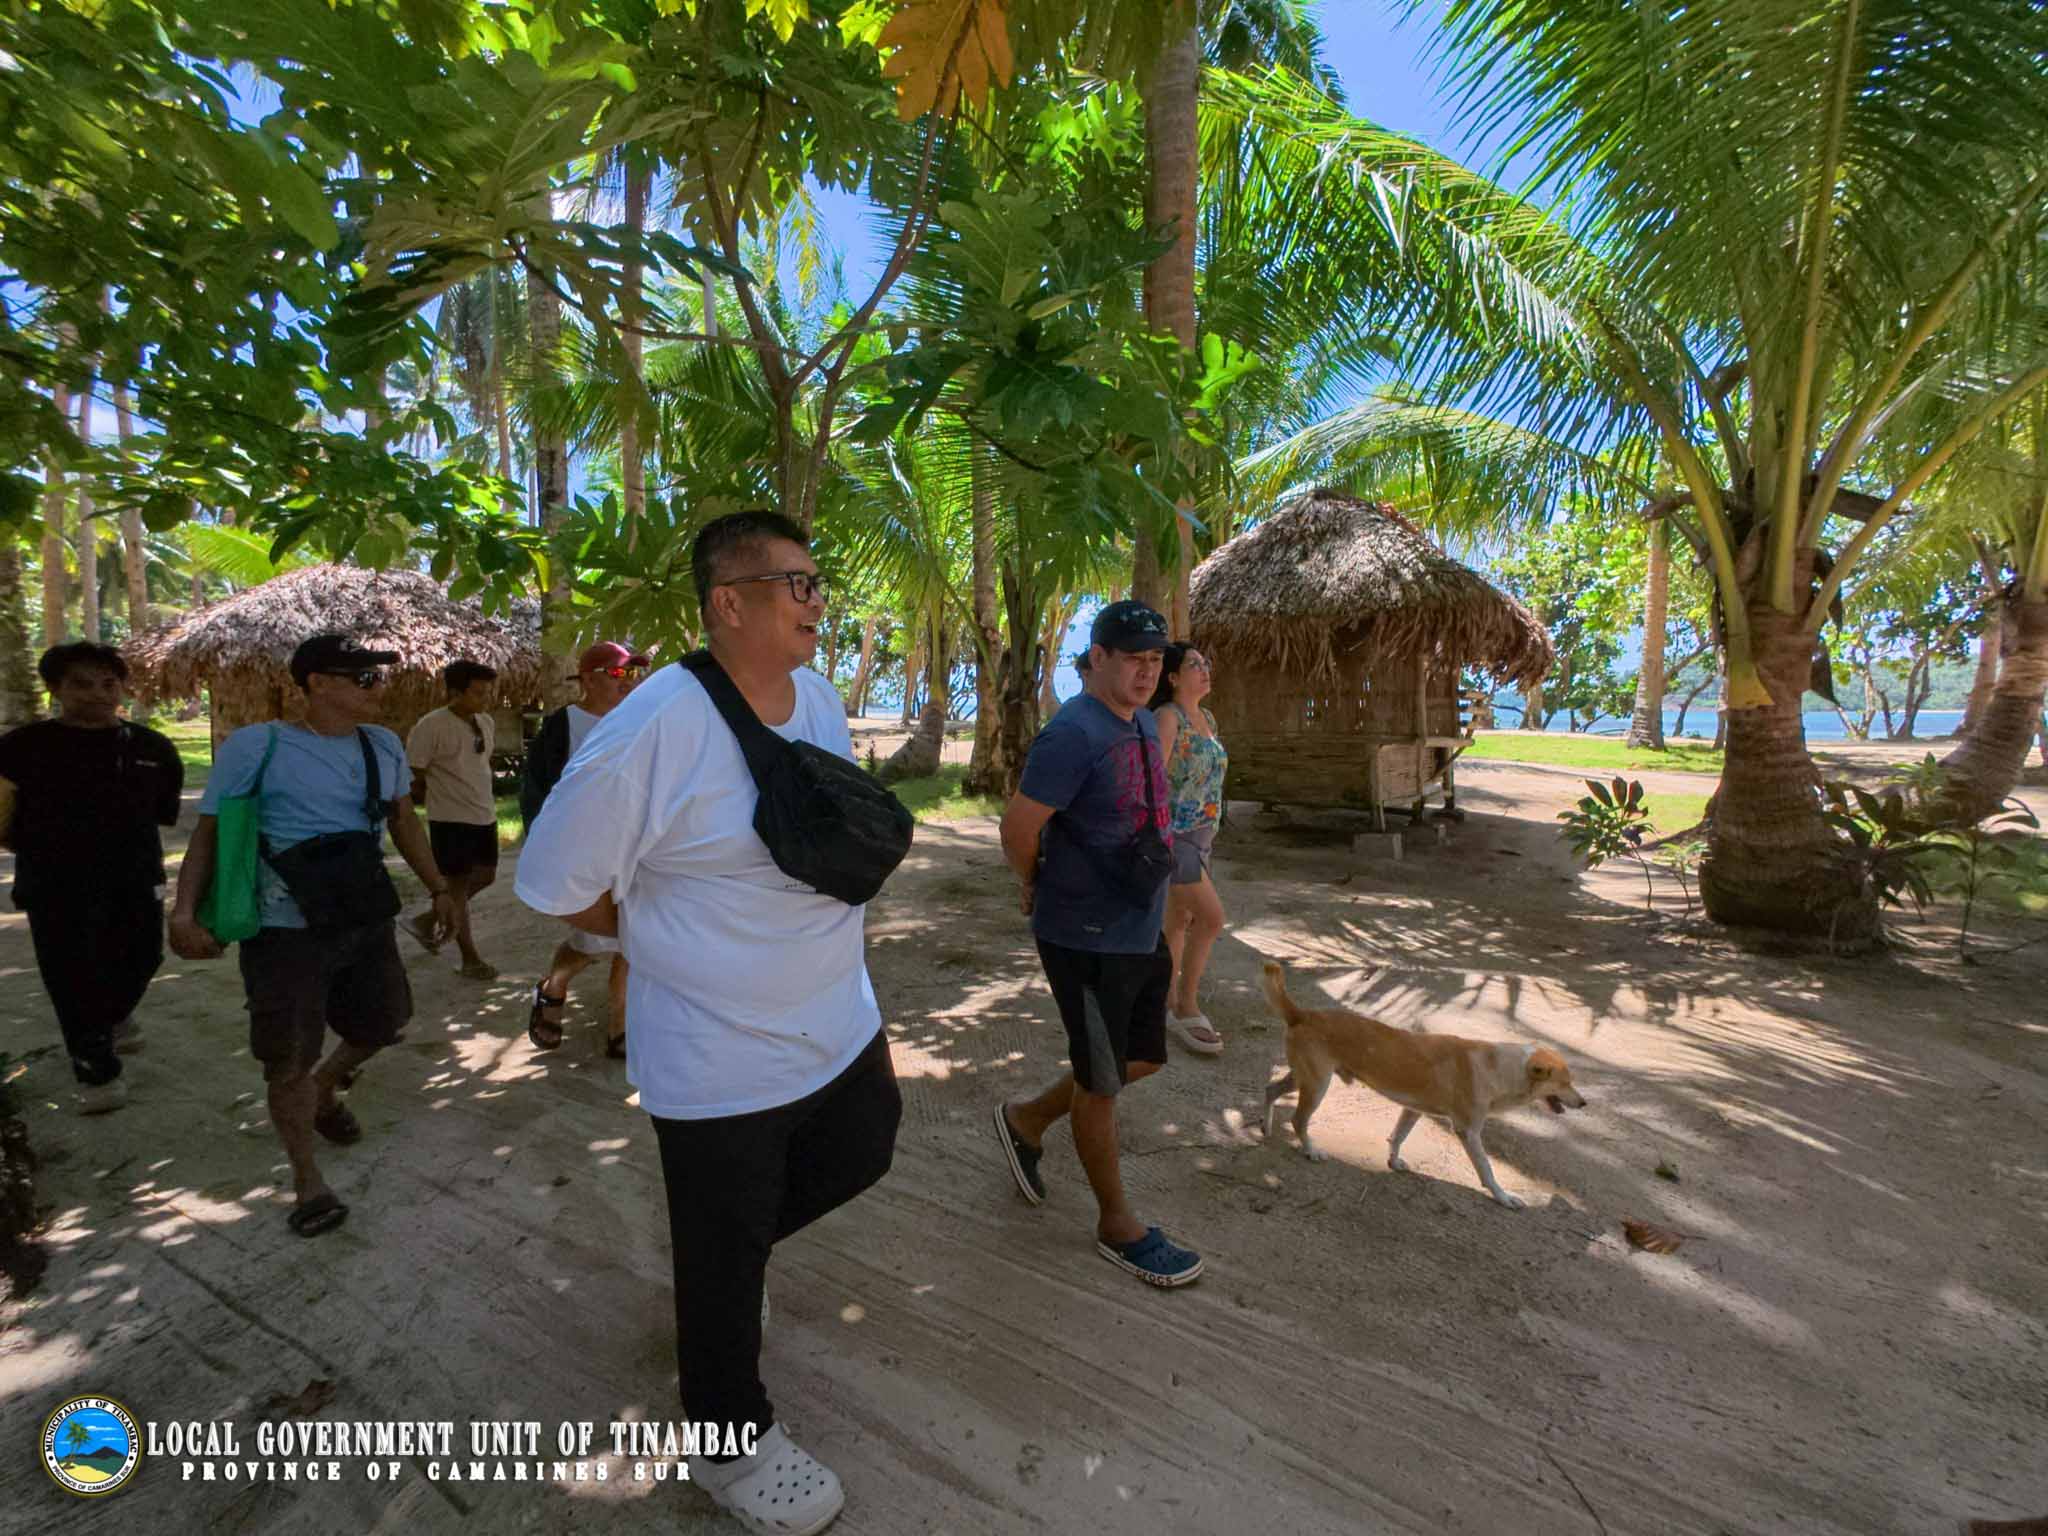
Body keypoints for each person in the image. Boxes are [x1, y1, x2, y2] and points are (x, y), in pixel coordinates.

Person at [518, 509, 897, 1535]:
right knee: (720, 1254)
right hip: (717, 1051)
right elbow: (554, 881)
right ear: (728, 603)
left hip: (838, 1015)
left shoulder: (818, 697)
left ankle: (723, 1276)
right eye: (796, 585)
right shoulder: (651, 729)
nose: (818, 602)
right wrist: (659, 936)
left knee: (864, 1149)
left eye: (819, 582)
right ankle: (729, 1443)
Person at [168, 634, 456, 1239]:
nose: (378, 688)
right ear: (317, 683)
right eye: (363, 678)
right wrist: (184, 912)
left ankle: (324, 1088)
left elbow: (404, 821)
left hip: (362, 916)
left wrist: (440, 888)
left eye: (378, 677)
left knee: (384, 1021)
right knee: (288, 1057)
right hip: (284, 933)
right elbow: (212, 831)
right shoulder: (259, 746)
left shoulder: (382, 745)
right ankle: (307, 1180)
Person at [991, 599, 1204, 1288]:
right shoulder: (1072, 734)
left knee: (1141, 1057)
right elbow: (1018, 828)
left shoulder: (1139, 720)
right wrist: (1033, 883)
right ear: (1097, 659)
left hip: (1137, 923)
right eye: (1132, 659)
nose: (1146, 672)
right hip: (1086, 936)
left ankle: (1025, 1119)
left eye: (1155, 661)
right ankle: (1118, 1225)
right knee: (1101, 1082)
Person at [0, 643, 183, 1114]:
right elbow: (3, 817)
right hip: (53, 883)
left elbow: (161, 812)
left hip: (135, 876)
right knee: (71, 975)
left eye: (109, 683)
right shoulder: (22, 747)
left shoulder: (152, 749)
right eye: (82, 684)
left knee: (143, 956)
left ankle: (111, 1019)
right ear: (55, 689)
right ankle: (96, 1072)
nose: (99, 694)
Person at [519, 641, 648, 1056]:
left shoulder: (642, 723)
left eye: (634, 674)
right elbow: (537, 794)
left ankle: (619, 1025)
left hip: (635, 852)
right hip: (586, 855)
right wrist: (545, 850)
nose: (629, 682)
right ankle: (554, 985)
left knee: (636, 937)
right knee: (591, 943)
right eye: (619, 673)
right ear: (589, 680)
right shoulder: (564, 725)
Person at [1149, 642, 1230, 1054]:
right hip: (1175, 837)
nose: (1204, 669)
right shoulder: (1168, 717)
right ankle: (1186, 1005)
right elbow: (1152, 782)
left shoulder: (1208, 718)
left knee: (1179, 921)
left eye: (1205, 662)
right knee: (1212, 919)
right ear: (1173, 677)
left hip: (1202, 837)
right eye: (1194, 664)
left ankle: (1163, 1005)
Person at [403, 659, 500, 980]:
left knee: (486, 876)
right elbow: (414, 770)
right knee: (457, 887)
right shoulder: (430, 726)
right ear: (455, 693)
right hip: (450, 820)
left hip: (484, 814)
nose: (485, 699)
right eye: (478, 693)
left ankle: (429, 919)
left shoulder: (485, 722)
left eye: (487, 692)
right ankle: (470, 958)